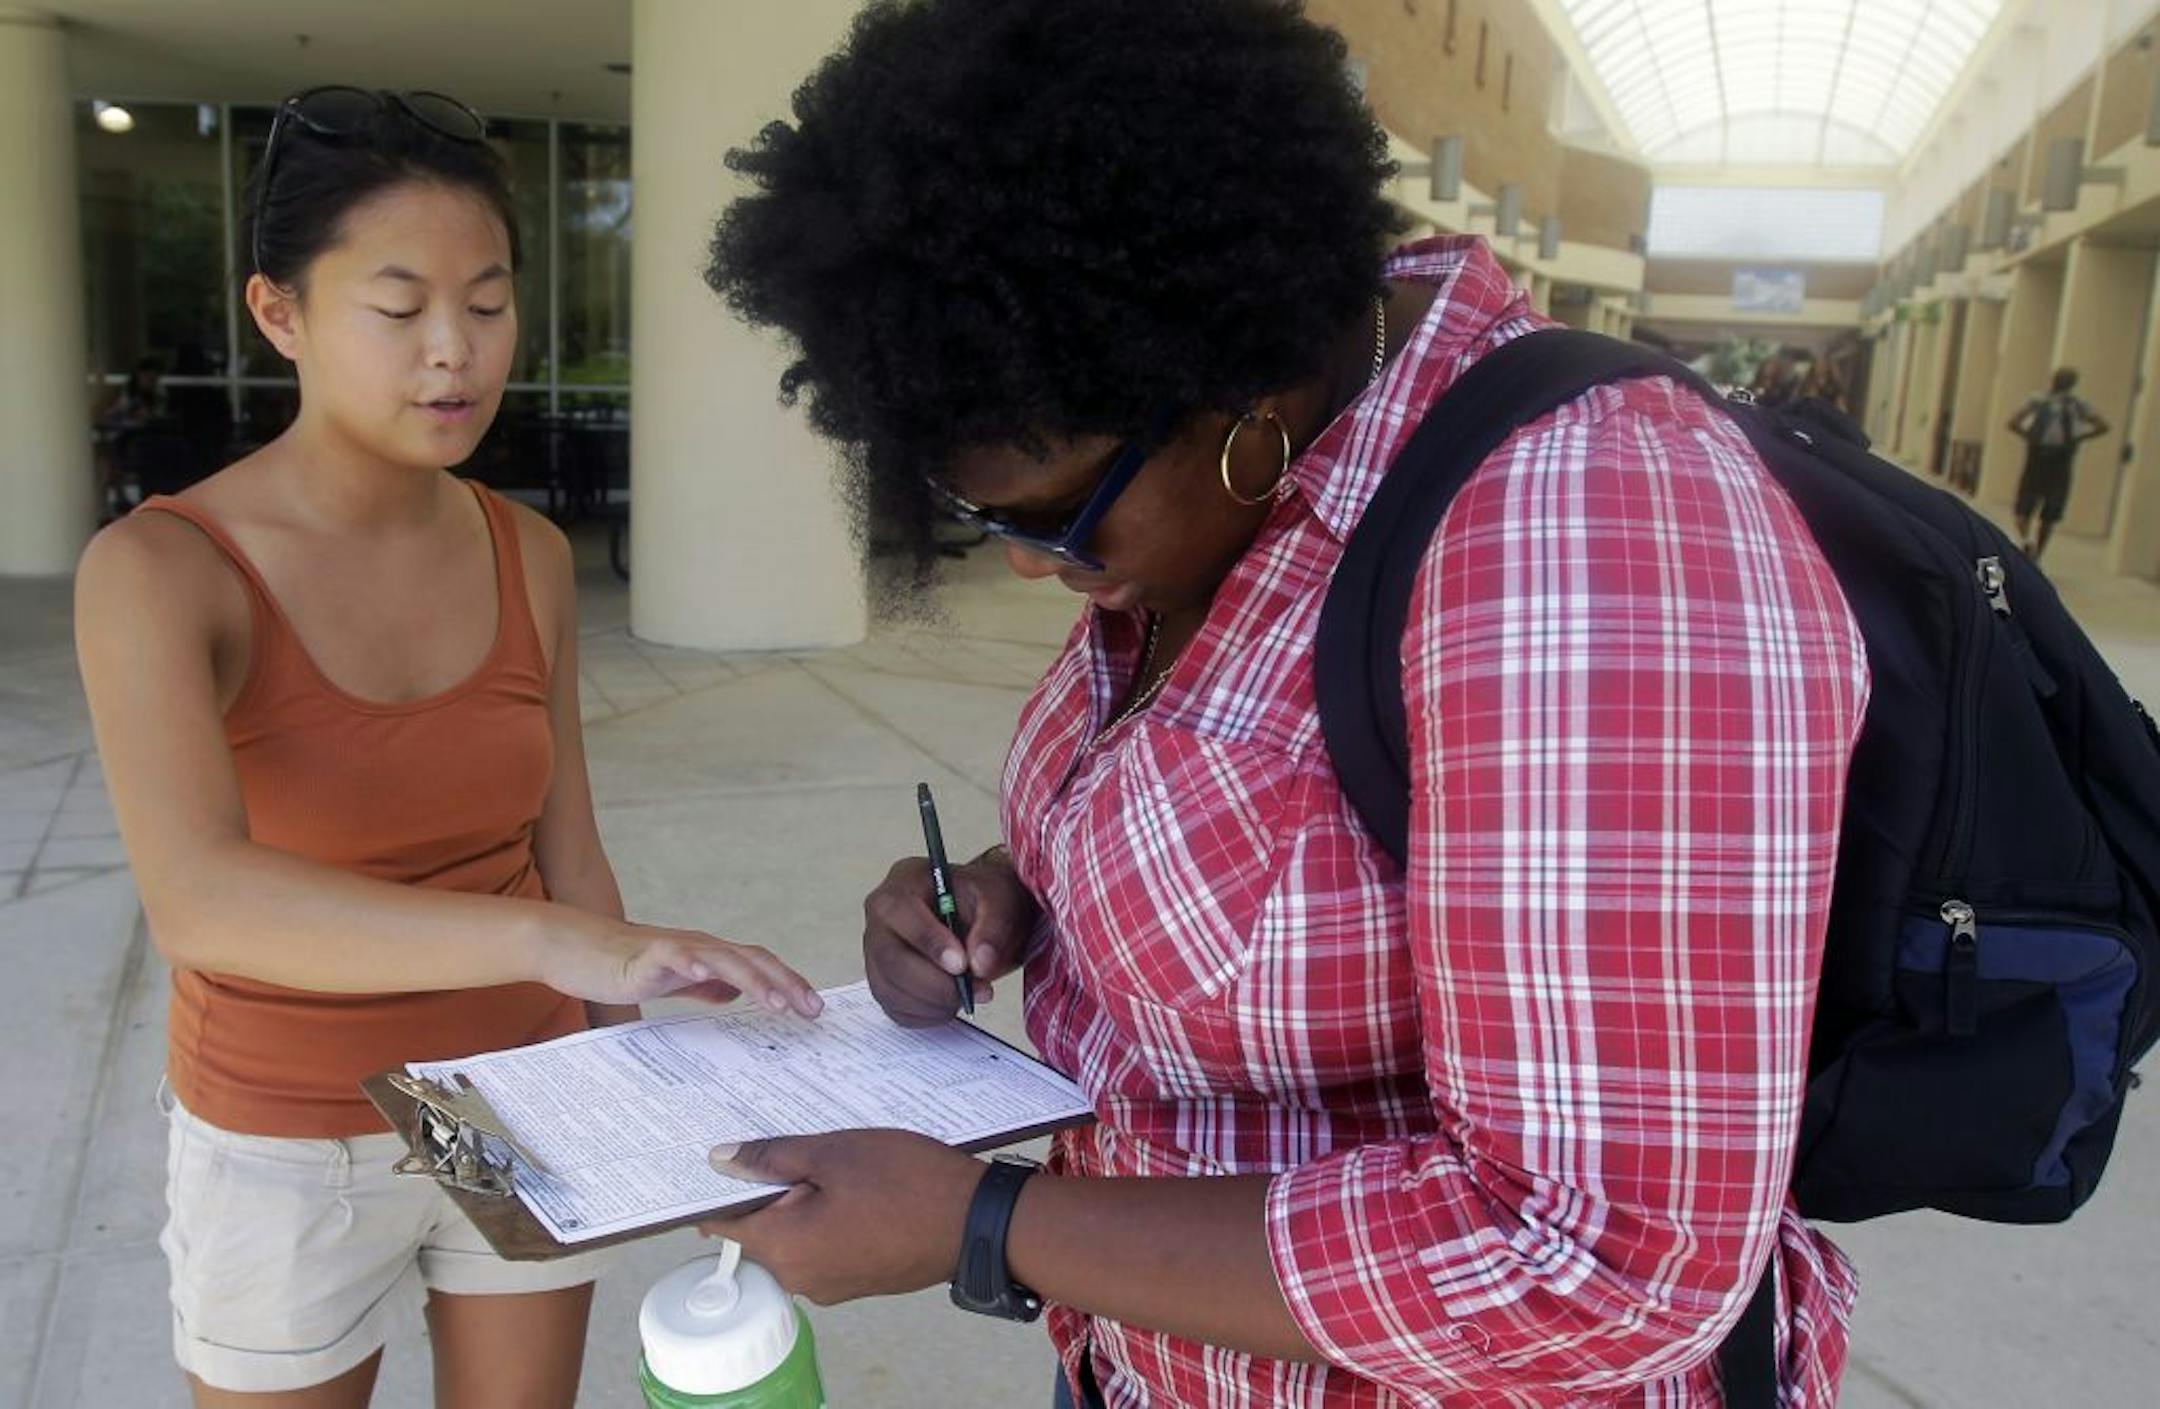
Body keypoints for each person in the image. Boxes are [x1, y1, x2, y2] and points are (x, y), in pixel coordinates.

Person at [696, 3, 1870, 1407]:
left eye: (1058, 509)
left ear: (1237, 389)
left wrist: (983, 1223)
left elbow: (1599, 1263)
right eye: (973, 514)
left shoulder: (1593, 539)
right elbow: (1298, 837)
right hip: (1149, 1358)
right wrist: (1022, 889)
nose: (1027, 562)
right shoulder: (1245, 478)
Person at [73, 86, 821, 1409]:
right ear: (280, 313)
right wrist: (546, 941)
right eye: (401, 305)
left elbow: (564, 850)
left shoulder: (520, 547)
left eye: (487, 303)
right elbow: (199, 897)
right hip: (285, 1132)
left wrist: (645, 1099)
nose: (455, 352)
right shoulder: (160, 569)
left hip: (510, 1105)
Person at [2008, 367, 2108, 562]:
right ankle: (2027, 541)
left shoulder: (2077, 405)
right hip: (2039, 455)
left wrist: (2078, 438)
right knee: (2024, 506)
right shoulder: (2038, 400)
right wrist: (2030, 436)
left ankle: (2037, 552)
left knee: (2051, 510)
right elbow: (2013, 422)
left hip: (2060, 457)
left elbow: (2102, 425)